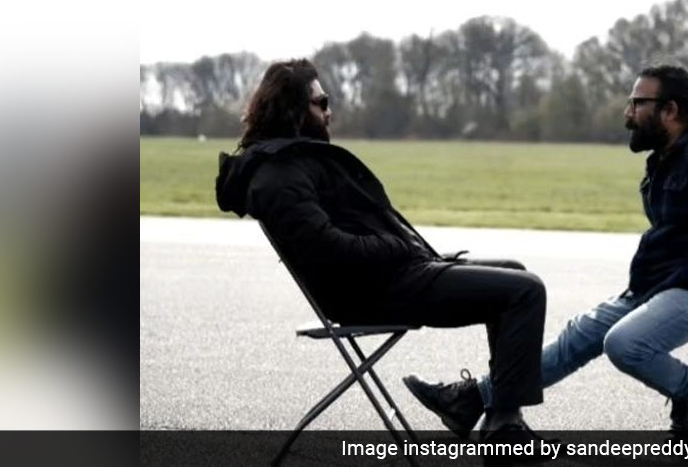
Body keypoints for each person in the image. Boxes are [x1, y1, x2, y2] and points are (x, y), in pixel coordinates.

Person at [405, 64, 688, 437]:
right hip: (666, 283)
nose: (628, 113)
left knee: (625, 344)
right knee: (578, 336)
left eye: (637, 103)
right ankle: (473, 399)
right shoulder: (668, 156)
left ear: (670, 110)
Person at [214, 59, 549, 443]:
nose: (329, 111)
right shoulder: (279, 177)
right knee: (526, 291)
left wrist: (404, 250)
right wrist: (398, 246)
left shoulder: (292, 162)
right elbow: (328, 250)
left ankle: (491, 415)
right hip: (374, 291)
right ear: (293, 110)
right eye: (322, 103)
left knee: (515, 271)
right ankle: (503, 431)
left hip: (390, 276)